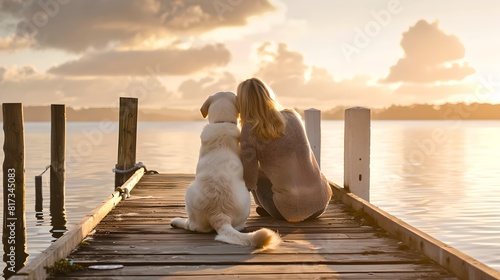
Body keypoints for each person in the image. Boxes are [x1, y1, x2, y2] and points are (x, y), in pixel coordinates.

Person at [236, 77, 332, 222]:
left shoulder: (249, 130)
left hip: (288, 212)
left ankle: (268, 205)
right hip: (320, 204)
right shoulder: (292, 115)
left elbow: (249, 180)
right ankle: (270, 204)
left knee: (256, 174)